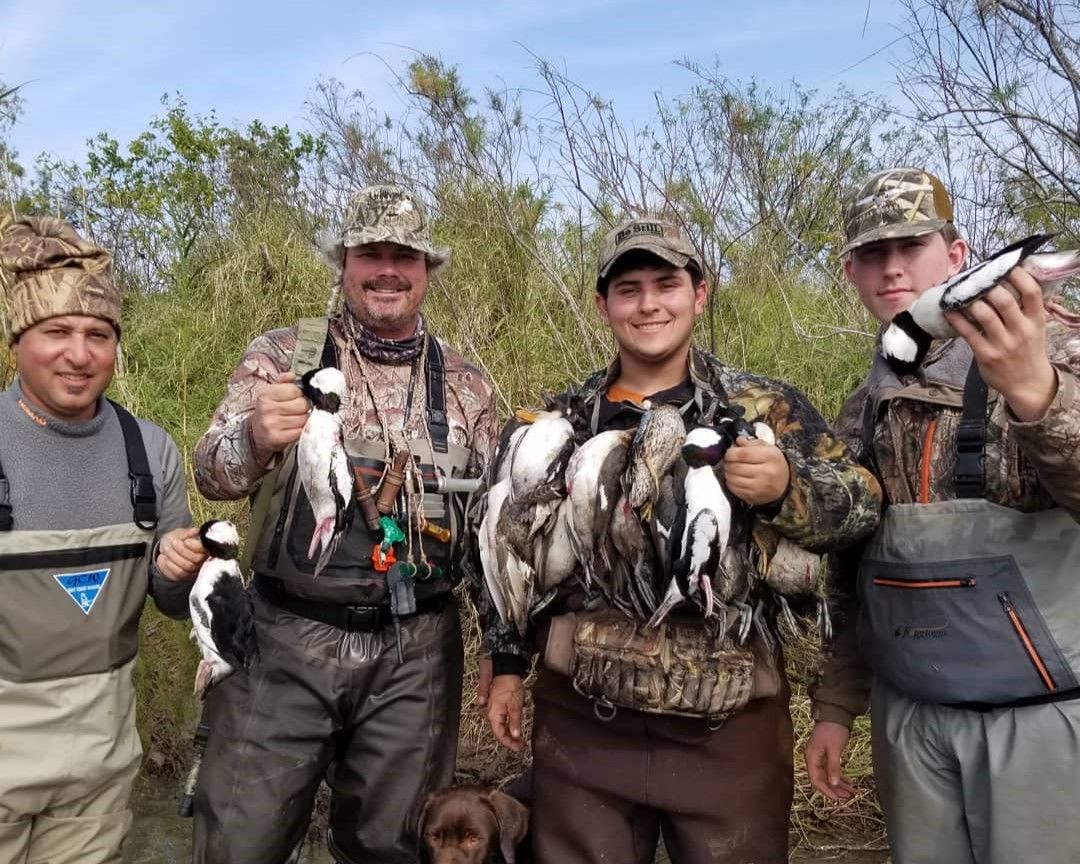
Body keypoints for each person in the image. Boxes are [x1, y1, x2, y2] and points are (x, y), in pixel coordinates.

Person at [481, 217, 882, 864]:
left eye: (666, 283)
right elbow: (510, 550)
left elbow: (864, 506)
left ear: (700, 293)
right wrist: (504, 663)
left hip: (728, 729)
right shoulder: (558, 422)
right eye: (629, 288)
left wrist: (787, 487)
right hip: (586, 727)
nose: (648, 304)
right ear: (602, 304)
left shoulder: (761, 409)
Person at [191, 184, 498, 864]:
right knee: (238, 840)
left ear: (426, 271)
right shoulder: (281, 356)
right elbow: (213, 473)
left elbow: (490, 541)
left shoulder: (468, 386)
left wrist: (502, 659)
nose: (387, 268)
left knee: (392, 848)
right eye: (370, 252)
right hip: (281, 638)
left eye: (404, 255)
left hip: (416, 651)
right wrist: (256, 436)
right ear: (344, 262)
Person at [806, 167, 1080, 864]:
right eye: (873, 252)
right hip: (912, 723)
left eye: (912, 245)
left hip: (1041, 721)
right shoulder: (866, 404)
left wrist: (1037, 397)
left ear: (958, 257)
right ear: (851, 271)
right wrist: (837, 706)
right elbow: (852, 567)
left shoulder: (1057, 350)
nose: (893, 267)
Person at [0, 215, 206, 864]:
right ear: (16, 342)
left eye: (98, 334)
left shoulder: (148, 451)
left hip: (100, 767)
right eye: (56, 332)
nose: (79, 353)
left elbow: (173, 603)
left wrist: (180, 568)